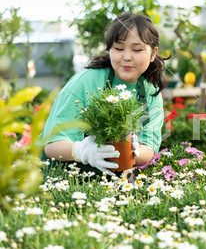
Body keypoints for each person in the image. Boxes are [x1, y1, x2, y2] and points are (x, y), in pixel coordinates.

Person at [39, 13, 169, 176]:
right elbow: (52, 146)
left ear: (153, 53)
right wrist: (81, 151)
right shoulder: (86, 82)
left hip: (113, 181)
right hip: (62, 177)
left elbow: (148, 148)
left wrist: (133, 150)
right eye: (119, 48)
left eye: (137, 49)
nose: (127, 57)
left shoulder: (151, 92)